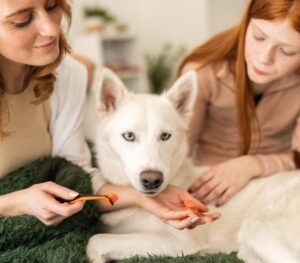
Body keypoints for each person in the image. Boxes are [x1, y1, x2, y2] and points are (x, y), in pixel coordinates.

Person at [0, 0, 219, 228]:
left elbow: (77, 176)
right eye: (21, 21)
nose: (53, 29)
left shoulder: (69, 74)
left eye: (52, 6)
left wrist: (143, 198)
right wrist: (14, 203)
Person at [179, 0, 300, 207]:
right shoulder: (202, 71)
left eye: (286, 51)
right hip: (209, 191)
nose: (264, 58)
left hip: (280, 186)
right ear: (246, 23)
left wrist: (254, 165)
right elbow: (175, 150)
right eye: (259, 37)